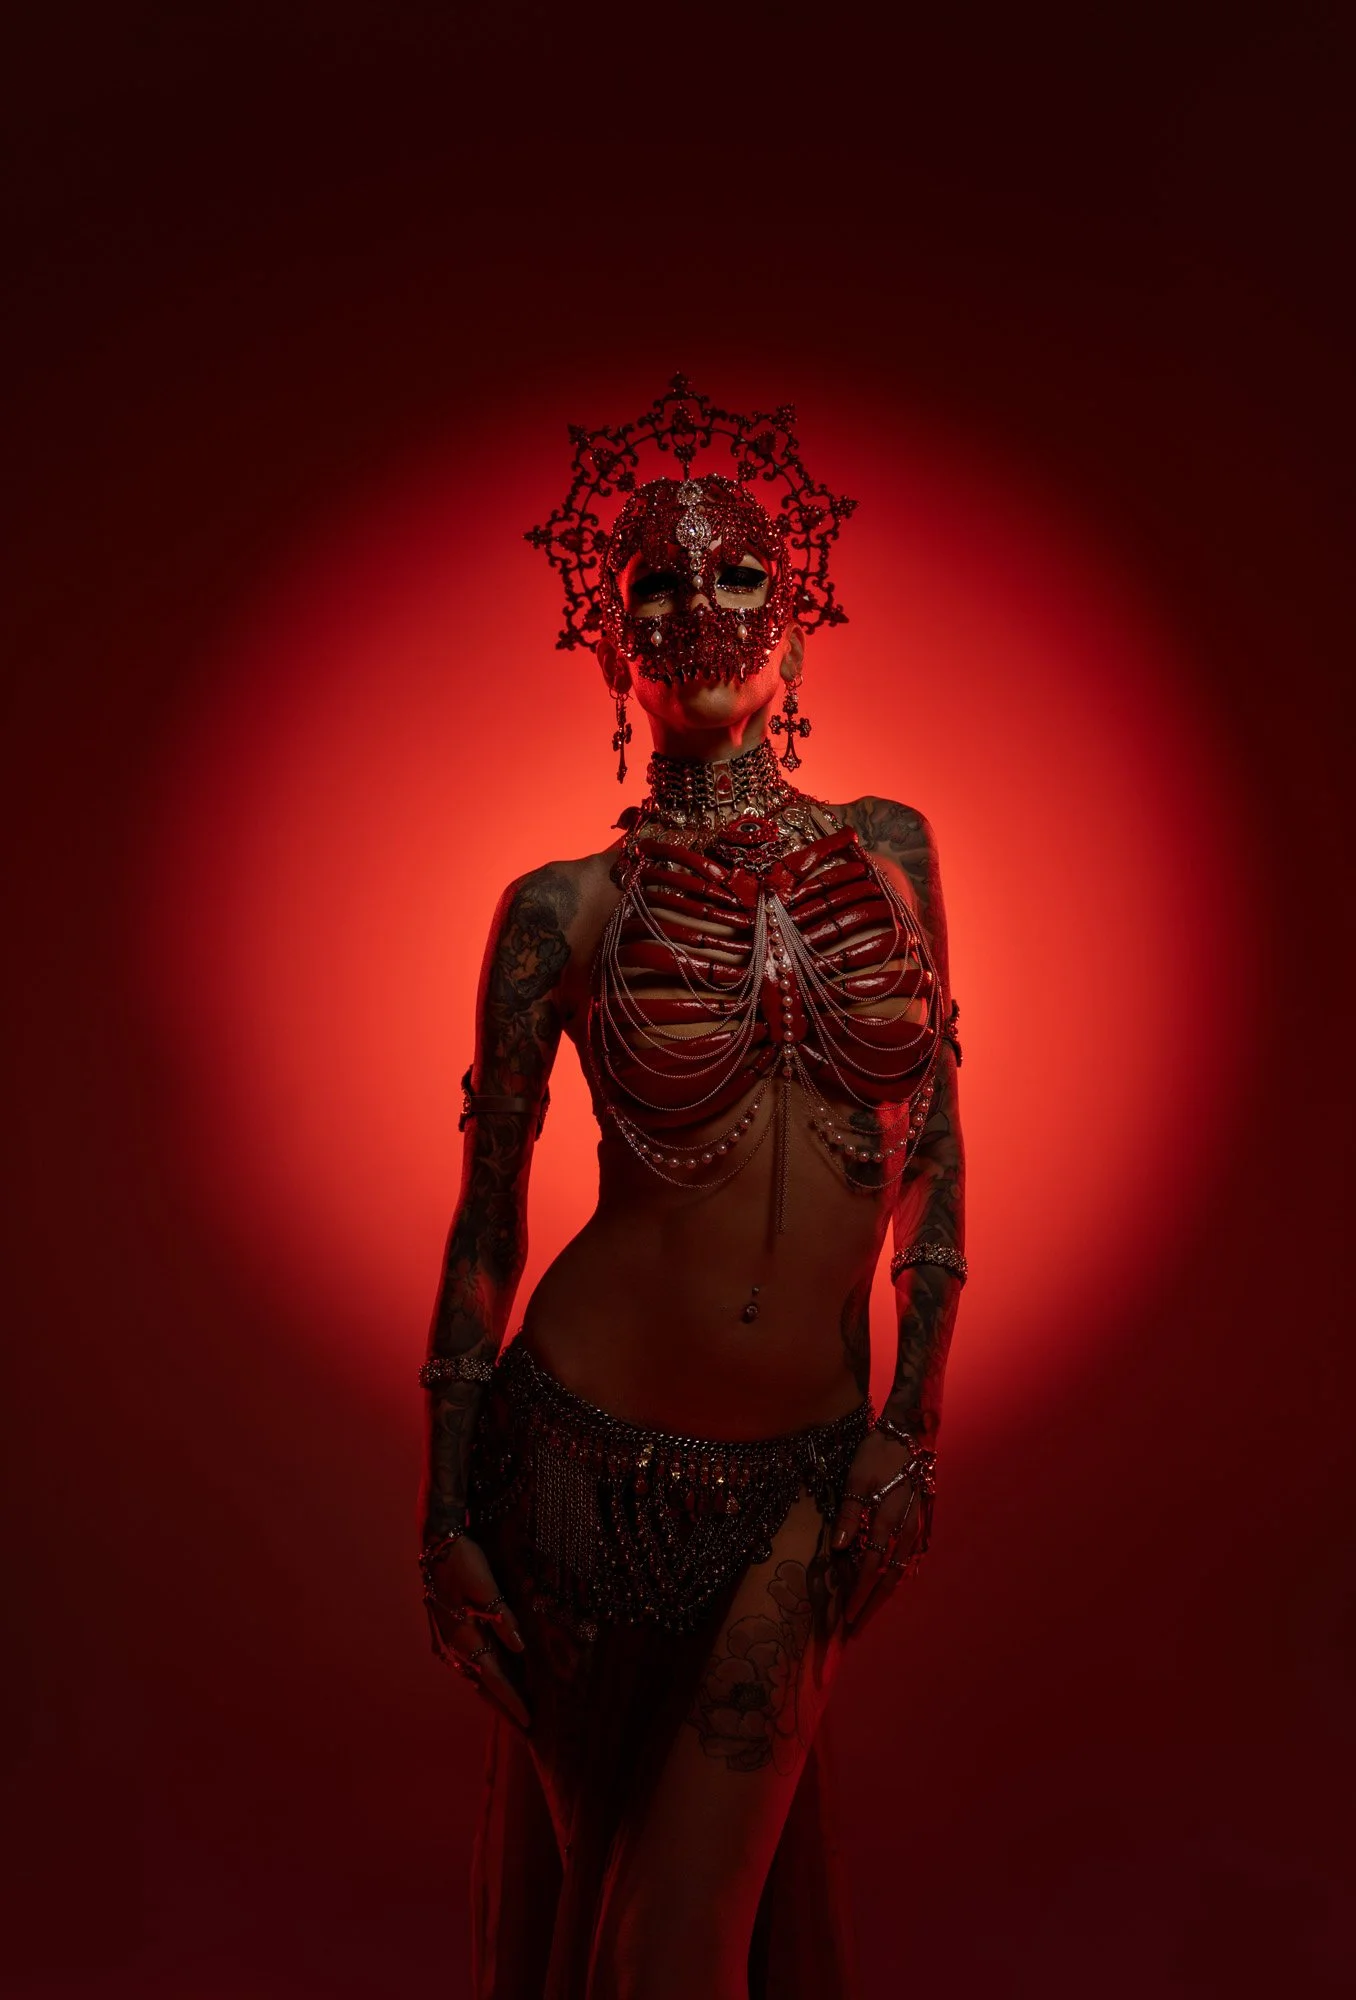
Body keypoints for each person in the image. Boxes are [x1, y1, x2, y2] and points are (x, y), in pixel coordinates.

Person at [415, 377, 967, 2000]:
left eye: (736, 573)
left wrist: (911, 1429)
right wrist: (443, 1516)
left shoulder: (894, 849)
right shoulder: (560, 910)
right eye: (655, 583)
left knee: (681, 1936)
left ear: (793, 607)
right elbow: (489, 1216)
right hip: (567, 1480)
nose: (699, 611)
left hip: (801, 1471)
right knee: (625, 1945)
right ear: (609, 640)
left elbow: (934, 1147)